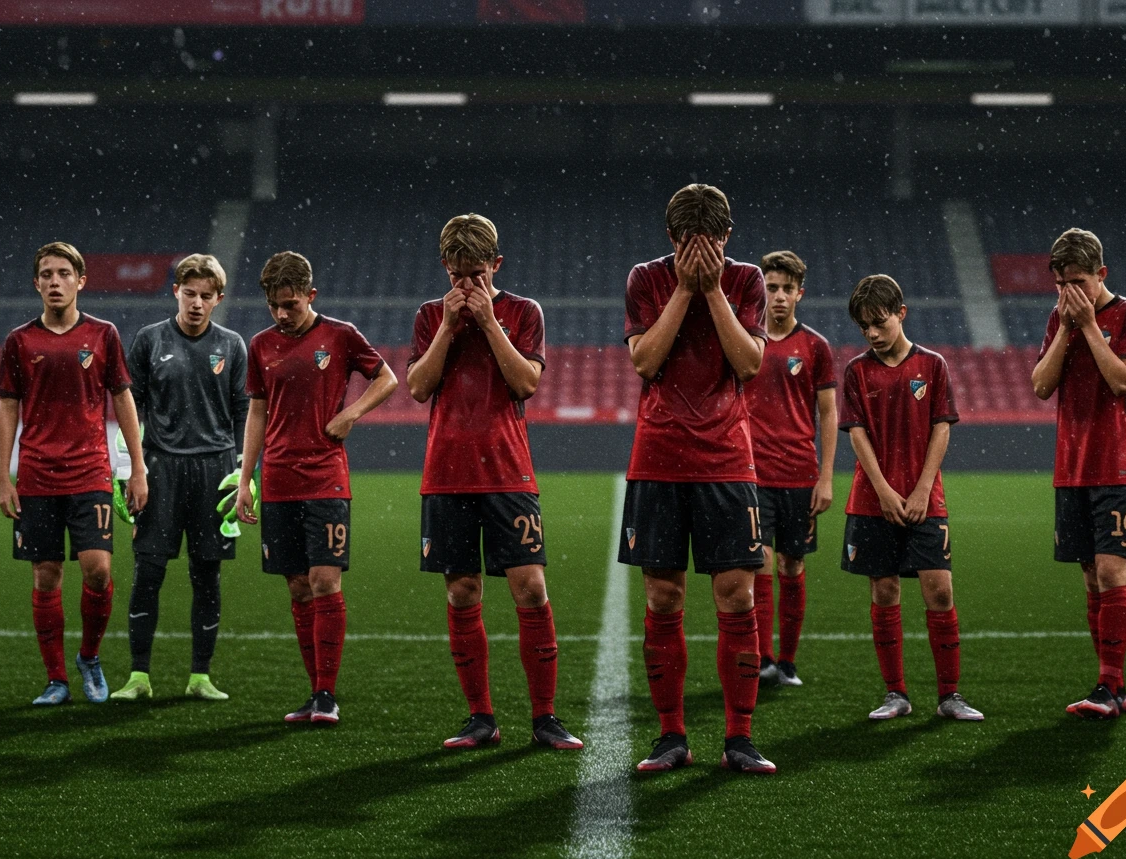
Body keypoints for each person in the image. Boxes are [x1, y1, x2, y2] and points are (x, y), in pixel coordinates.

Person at [407, 214, 583, 751]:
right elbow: (417, 387)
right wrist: (446, 325)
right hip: (446, 472)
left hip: (508, 470)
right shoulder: (428, 315)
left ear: (496, 267)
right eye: (459, 276)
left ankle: (546, 717)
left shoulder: (523, 312)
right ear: (445, 268)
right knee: (463, 591)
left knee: (530, 587)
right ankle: (480, 717)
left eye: (477, 275)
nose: (467, 287)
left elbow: (525, 381)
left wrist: (487, 323)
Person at [619, 184, 777, 774]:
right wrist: (686, 289)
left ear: (727, 240)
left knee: (737, 595)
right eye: (688, 246)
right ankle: (671, 736)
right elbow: (645, 360)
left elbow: (749, 363)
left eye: (709, 246)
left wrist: (712, 292)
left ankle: (739, 737)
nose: (699, 256)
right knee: (664, 598)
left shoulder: (745, 282)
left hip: (727, 460)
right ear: (671, 241)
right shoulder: (645, 279)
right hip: (659, 456)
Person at [235, 251, 398, 724]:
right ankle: (314, 692)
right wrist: (246, 480)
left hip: (326, 477)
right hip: (280, 479)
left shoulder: (341, 336)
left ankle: (327, 694)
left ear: (311, 295)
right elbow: (258, 413)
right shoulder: (261, 345)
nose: (283, 314)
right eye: (275, 306)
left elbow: (387, 378)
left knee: (325, 580)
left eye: (291, 304)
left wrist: (350, 414)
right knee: (298, 585)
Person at [0, 241, 148, 706]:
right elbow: (7, 408)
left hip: (90, 472)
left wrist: (136, 466)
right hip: (38, 475)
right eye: (47, 274)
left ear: (80, 281)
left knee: (98, 571)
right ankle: (57, 679)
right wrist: (4, 475)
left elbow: (123, 399)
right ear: (36, 282)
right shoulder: (20, 341)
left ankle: (89, 656)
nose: (55, 281)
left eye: (64, 273)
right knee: (46, 574)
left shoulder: (103, 335)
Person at [838, 274, 982, 723]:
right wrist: (882, 490)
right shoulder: (856, 371)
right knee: (884, 589)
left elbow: (942, 427)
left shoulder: (933, 365)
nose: (872, 333)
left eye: (879, 322)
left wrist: (921, 489)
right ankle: (895, 693)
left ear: (901, 313)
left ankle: (950, 696)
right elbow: (857, 434)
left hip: (926, 498)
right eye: (864, 327)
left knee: (939, 589)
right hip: (871, 498)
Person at [109, 254, 248, 702]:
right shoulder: (149, 341)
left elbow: (245, 411)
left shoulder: (232, 345)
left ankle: (200, 676)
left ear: (218, 299)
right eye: (189, 293)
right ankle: (138, 676)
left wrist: (245, 472)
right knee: (148, 572)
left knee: (206, 575)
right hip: (161, 469)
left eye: (206, 296)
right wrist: (129, 470)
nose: (196, 302)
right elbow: (129, 408)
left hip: (216, 470)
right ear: (176, 292)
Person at [1031, 228, 1126, 720]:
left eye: (1077, 281)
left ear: (1101, 274)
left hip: (1118, 463)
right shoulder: (1061, 317)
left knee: (1110, 570)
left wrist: (1089, 327)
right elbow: (1040, 386)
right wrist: (1067, 326)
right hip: (1071, 466)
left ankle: (1112, 685)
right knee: (1089, 576)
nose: (1068, 293)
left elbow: (1122, 378)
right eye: (1060, 284)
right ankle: (1107, 685)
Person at [746, 250, 837, 688]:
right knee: (760, 561)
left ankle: (788, 661)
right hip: (754, 475)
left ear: (800, 293)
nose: (778, 296)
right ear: (761, 289)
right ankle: (763, 658)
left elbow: (828, 414)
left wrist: (826, 478)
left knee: (792, 566)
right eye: (772, 287)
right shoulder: (746, 341)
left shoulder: (815, 346)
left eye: (787, 288)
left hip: (800, 474)